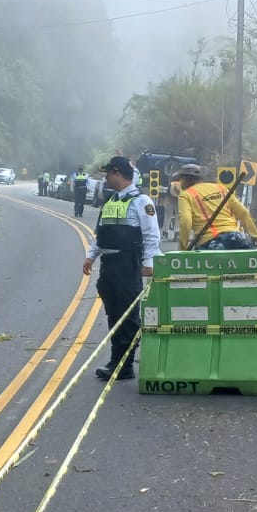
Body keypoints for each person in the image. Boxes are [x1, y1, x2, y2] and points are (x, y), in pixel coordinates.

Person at [80, 156, 161, 381]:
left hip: (128, 265)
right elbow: (102, 232)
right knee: (114, 314)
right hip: (109, 266)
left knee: (128, 316)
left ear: (117, 173)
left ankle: (123, 365)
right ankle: (117, 360)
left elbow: (151, 236)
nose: (105, 178)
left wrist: (149, 264)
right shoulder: (111, 201)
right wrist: (91, 256)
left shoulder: (141, 201)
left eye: (108, 174)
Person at [175, 163, 257, 250]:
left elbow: (185, 221)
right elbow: (243, 212)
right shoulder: (221, 188)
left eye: (180, 179)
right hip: (238, 238)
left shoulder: (186, 195)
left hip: (211, 242)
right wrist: (254, 235)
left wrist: (182, 249)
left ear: (185, 179)